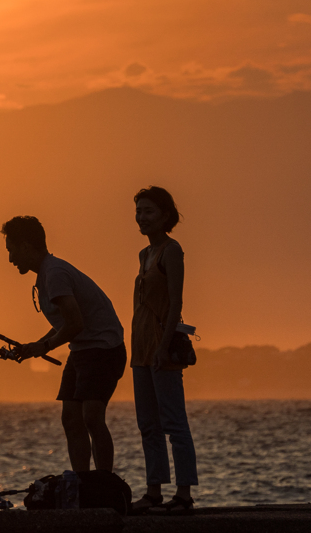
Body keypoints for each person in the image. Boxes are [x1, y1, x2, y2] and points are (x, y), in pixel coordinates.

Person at [1, 216, 127, 473]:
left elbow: (75, 323)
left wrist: (44, 347)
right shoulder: (46, 274)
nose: (11, 259)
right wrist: (34, 346)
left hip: (103, 350)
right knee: (71, 419)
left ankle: (103, 483)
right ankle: (82, 484)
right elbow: (67, 323)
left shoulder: (54, 273)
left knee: (91, 417)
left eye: (11, 250)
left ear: (26, 246)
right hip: (81, 350)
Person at [130, 187, 198, 514]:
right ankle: (153, 490)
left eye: (149, 211)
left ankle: (183, 494)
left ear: (165, 216)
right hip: (139, 347)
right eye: (139, 211)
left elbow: (175, 302)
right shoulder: (144, 255)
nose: (142, 217)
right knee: (148, 424)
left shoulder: (172, 251)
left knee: (174, 423)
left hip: (161, 347)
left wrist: (163, 345)